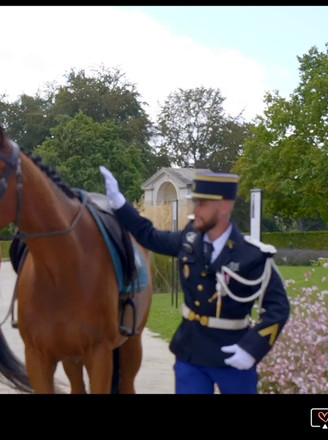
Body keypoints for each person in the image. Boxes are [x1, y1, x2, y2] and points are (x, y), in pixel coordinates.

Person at [99, 166, 290, 394]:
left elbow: (279, 308)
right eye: (195, 203)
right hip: (191, 353)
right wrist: (120, 204)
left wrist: (251, 349)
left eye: (203, 204)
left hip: (233, 354)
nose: (195, 210)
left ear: (224, 207)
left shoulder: (252, 255)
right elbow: (148, 235)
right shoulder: (189, 241)